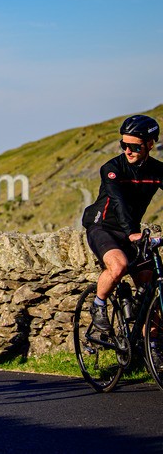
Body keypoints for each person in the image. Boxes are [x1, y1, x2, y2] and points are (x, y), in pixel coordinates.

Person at [82, 114, 163, 332]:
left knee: (149, 289)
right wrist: (132, 233)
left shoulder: (157, 171)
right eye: (124, 145)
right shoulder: (113, 168)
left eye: (134, 147)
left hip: (132, 232)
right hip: (104, 228)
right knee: (118, 267)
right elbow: (119, 203)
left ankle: (152, 350)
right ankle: (98, 304)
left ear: (150, 145)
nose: (127, 151)